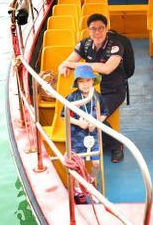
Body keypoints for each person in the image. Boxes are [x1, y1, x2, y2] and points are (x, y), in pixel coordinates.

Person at [59, 13, 127, 163]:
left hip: (113, 91)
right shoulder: (85, 44)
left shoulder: (116, 46)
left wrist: (77, 65)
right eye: (93, 29)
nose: (97, 32)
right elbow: (68, 61)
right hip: (92, 90)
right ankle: (83, 146)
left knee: (94, 116)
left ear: (106, 28)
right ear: (88, 30)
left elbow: (106, 68)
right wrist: (63, 65)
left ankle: (116, 146)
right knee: (83, 115)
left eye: (101, 28)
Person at [62, 65, 107, 202]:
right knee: (77, 165)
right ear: (77, 83)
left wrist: (96, 123)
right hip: (76, 137)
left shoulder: (98, 97)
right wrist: (78, 123)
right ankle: (77, 189)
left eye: (88, 81)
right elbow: (64, 116)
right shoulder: (71, 98)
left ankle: (91, 180)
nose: (85, 84)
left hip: (93, 136)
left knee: (96, 164)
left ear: (93, 81)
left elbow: (104, 113)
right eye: (81, 81)